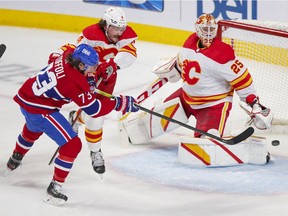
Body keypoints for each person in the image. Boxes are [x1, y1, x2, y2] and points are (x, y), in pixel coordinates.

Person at [119, 14, 274, 166]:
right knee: (144, 126)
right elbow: (182, 65)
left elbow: (243, 79)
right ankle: (134, 131)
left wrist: (254, 103)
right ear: (197, 29)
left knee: (202, 149)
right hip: (185, 97)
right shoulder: (190, 41)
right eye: (204, 29)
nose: (207, 33)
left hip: (213, 106)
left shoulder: (223, 53)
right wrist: (174, 69)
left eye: (210, 29)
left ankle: (253, 151)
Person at [6, 44, 139, 205]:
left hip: (27, 97)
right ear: (80, 65)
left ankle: (15, 158)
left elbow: (70, 70)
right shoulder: (74, 82)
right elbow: (94, 109)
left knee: (33, 129)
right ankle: (54, 188)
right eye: (91, 67)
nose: (93, 69)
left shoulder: (68, 55)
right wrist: (120, 103)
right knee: (72, 144)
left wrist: (91, 77)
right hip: (39, 109)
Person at [61, 6, 137, 175]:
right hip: (87, 76)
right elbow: (75, 53)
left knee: (95, 114)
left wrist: (114, 65)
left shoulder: (126, 34)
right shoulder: (90, 34)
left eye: (121, 28)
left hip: (107, 78)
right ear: (106, 25)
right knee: (96, 117)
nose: (119, 32)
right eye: (116, 28)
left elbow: (130, 53)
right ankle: (96, 151)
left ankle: (76, 118)